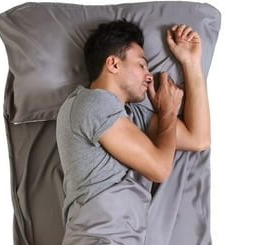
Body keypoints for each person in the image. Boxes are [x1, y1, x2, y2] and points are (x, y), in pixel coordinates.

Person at [55, 19, 211, 227]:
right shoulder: (91, 103)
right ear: (113, 64)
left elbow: (198, 139)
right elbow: (159, 169)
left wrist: (191, 63)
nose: (149, 76)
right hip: (100, 240)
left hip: (120, 241)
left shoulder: (131, 117)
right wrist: (168, 111)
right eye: (142, 65)